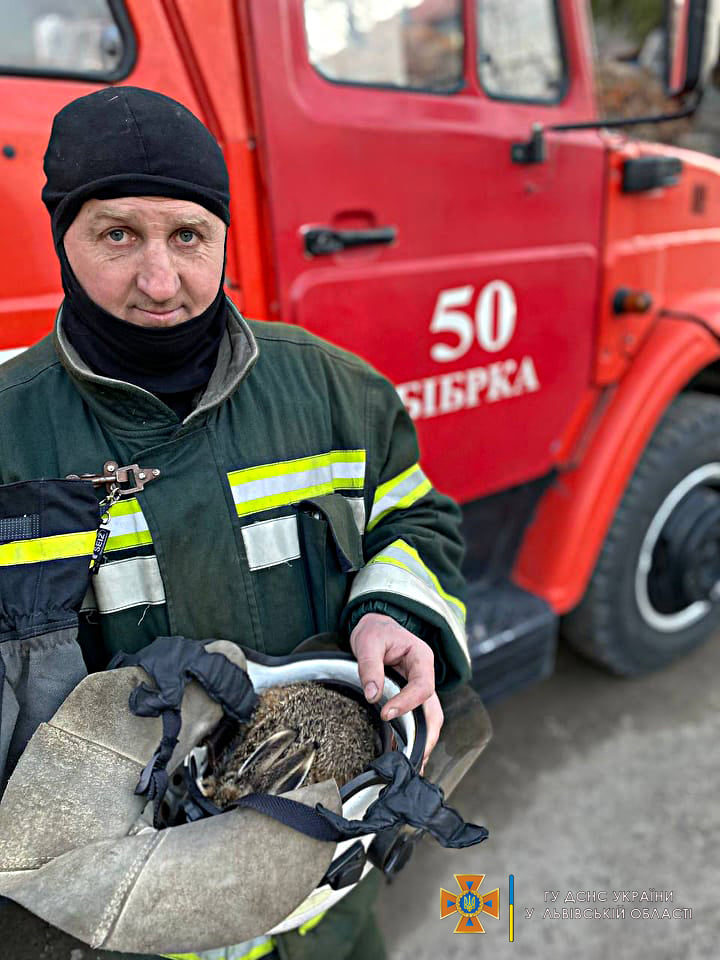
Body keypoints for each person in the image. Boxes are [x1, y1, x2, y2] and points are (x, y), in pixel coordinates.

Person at [0, 86, 471, 960]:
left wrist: (396, 612)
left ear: (223, 234)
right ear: (62, 239)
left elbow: (420, 519)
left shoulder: (335, 392)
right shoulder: (7, 431)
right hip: (115, 926)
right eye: (116, 234)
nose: (158, 279)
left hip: (324, 899)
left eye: (187, 236)